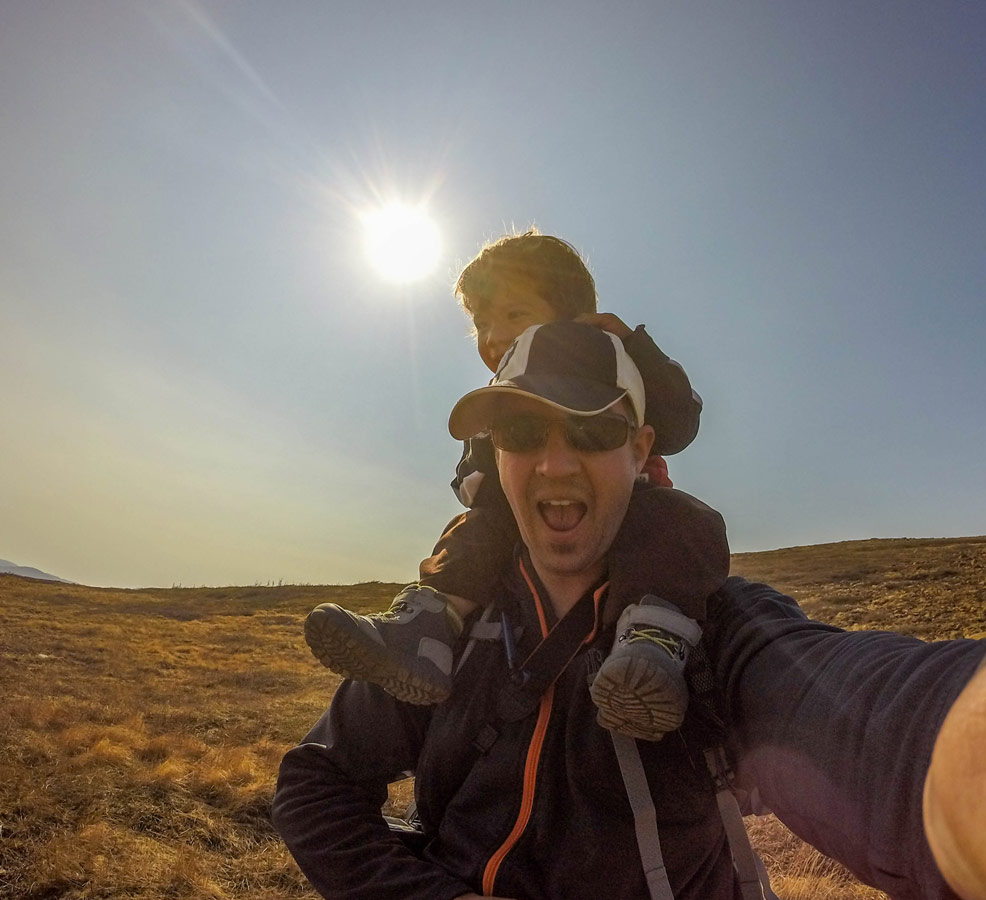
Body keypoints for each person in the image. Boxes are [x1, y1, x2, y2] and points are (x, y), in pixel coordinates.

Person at [274, 319, 986, 900]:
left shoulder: (707, 628)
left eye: (591, 430)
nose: (554, 462)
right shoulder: (452, 631)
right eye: (521, 432)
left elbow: (867, 716)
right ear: (492, 457)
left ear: (641, 448)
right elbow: (314, 782)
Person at [304, 229, 727, 741]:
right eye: (482, 323)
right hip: (514, 523)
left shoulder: (618, 362)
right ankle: (428, 629)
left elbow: (681, 421)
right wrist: (479, 485)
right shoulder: (496, 397)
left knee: (682, 521)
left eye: (513, 314)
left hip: (635, 506)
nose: (494, 334)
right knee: (475, 531)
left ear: (576, 318)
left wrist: (632, 344)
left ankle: (652, 644)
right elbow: (473, 468)